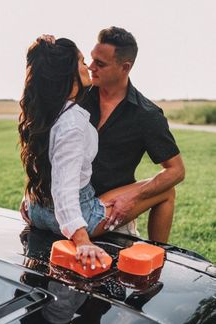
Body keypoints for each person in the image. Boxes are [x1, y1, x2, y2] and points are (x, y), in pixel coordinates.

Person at [19, 30, 185, 268]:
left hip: (106, 205)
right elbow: (48, 150)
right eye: (88, 60)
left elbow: (176, 171)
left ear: (125, 67)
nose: (90, 66)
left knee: (167, 190)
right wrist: (34, 195)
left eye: (100, 63)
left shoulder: (146, 115)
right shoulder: (75, 97)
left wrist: (133, 196)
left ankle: (154, 260)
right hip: (74, 207)